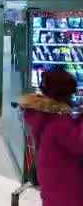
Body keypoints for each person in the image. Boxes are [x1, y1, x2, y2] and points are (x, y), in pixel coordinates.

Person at [20, 71, 83, 206]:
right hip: (65, 182)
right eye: (71, 93)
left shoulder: (45, 115)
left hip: (52, 177)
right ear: (64, 95)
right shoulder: (59, 123)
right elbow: (79, 144)